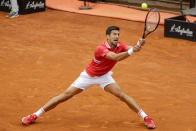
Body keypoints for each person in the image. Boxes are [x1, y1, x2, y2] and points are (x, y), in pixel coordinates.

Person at [21, 26, 155, 129]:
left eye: (118, 34)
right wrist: (132, 51)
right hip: (89, 76)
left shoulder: (120, 46)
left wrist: (136, 46)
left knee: (122, 95)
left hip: (104, 77)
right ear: (107, 36)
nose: (117, 36)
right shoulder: (100, 48)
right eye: (114, 34)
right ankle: (34, 115)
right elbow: (115, 57)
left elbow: (129, 47)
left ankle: (146, 117)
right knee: (65, 95)